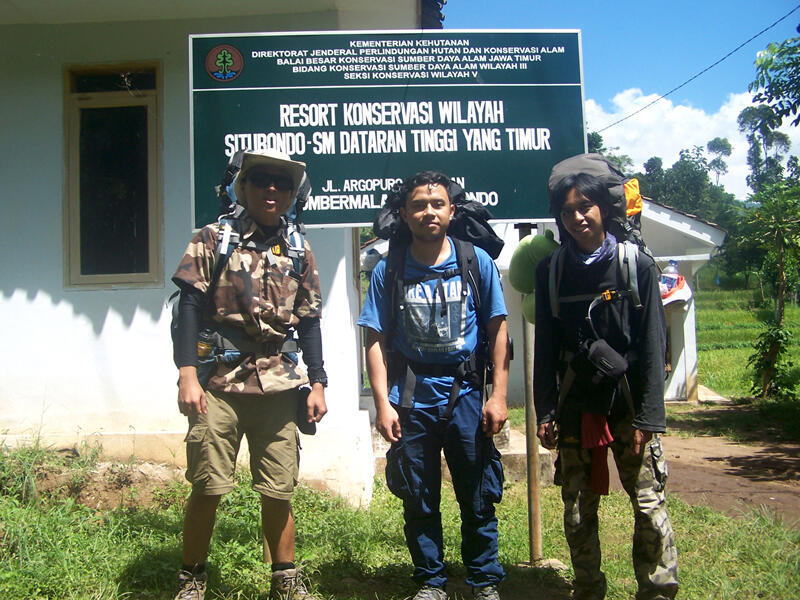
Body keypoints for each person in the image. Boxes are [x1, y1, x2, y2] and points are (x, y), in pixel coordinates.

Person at [171, 148, 328, 600]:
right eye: (261, 179)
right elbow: (189, 307)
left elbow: (310, 320)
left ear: (293, 192)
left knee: (278, 488)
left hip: (279, 383)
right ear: (244, 187)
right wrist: (186, 375)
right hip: (217, 382)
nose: (271, 189)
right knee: (208, 485)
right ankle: (192, 579)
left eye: (281, 182)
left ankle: (285, 582)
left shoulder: (299, 249)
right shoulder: (212, 238)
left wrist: (318, 382)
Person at [358, 171, 510, 600]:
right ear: (404, 214)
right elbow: (375, 339)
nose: (429, 212)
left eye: (437, 204)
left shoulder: (475, 261)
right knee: (418, 495)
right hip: (411, 396)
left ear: (451, 211)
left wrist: (497, 395)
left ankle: (483, 581)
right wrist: (382, 405)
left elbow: (498, 329)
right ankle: (431, 582)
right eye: (420, 205)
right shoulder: (390, 269)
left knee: (478, 492)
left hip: (465, 395)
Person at [533, 158, 679, 600]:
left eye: (587, 206)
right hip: (576, 407)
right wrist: (546, 411)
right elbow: (545, 350)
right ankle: (588, 588)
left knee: (649, 505)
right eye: (567, 210)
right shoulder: (551, 271)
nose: (578, 216)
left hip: (629, 407)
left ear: (603, 209)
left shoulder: (637, 265)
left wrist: (649, 419)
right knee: (577, 509)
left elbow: (653, 344)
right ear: (559, 217)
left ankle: (656, 591)